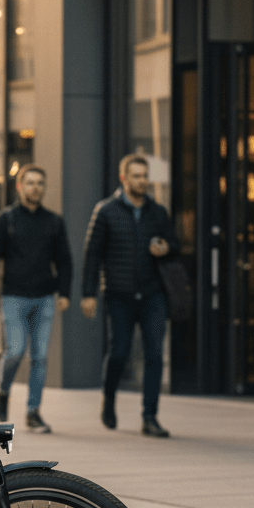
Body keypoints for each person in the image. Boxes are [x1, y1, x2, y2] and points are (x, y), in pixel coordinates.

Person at [81, 154, 180, 438]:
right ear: (124, 179)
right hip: (119, 293)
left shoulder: (157, 212)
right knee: (120, 352)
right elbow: (92, 255)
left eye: (145, 176)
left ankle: (150, 417)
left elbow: (174, 244)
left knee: (154, 354)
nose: (142, 181)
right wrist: (88, 293)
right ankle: (109, 398)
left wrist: (166, 248)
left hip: (153, 293)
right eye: (136, 176)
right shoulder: (106, 210)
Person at [0, 164, 72, 432]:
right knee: (16, 351)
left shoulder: (54, 222)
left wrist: (64, 293)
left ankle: (33, 411)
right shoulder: (6, 219)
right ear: (20, 187)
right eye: (30, 183)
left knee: (40, 357)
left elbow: (65, 261)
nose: (35, 188)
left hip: (44, 297)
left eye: (40, 183)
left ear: (44, 188)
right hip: (14, 297)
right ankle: (4, 390)